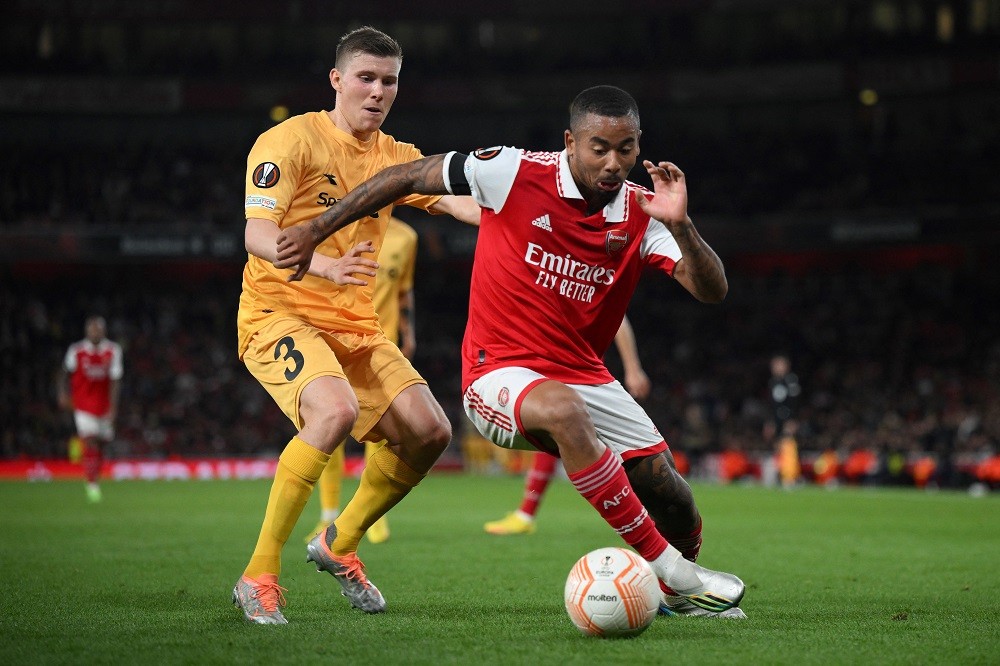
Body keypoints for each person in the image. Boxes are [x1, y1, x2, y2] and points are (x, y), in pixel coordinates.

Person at [275, 85, 746, 618]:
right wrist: (316, 228)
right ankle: (672, 570)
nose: (614, 163)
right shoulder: (513, 172)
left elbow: (712, 290)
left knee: (671, 493)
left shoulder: (644, 212)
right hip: (497, 372)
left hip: (584, 374)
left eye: (627, 148)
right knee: (563, 410)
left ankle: (676, 596)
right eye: (599, 148)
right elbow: (405, 176)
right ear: (571, 142)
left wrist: (682, 225)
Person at [232, 26, 479, 625]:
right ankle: (258, 574)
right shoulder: (289, 141)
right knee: (334, 412)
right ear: (337, 79)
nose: (377, 91)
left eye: (388, 81)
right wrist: (323, 262)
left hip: (356, 327)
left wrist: (533, 215)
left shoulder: (395, 156)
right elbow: (257, 234)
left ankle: (339, 542)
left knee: (429, 432)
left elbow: (458, 203)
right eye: (365, 78)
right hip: (278, 313)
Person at [306, 215, 419, 545]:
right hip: (336, 337)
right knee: (331, 422)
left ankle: (371, 515)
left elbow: (404, 290)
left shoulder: (407, 237)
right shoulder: (339, 226)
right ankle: (328, 513)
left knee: (382, 429)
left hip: (381, 343)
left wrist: (409, 333)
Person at [484, 315, 650, 535]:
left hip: (579, 370)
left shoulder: (591, 285)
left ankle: (645, 519)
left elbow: (619, 320)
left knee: (613, 448)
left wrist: (633, 368)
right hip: (556, 362)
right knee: (555, 431)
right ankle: (526, 513)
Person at [57, 316, 123, 503]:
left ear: (104, 331)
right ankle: (92, 484)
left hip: (104, 406)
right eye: (91, 329)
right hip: (83, 404)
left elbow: (116, 380)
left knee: (102, 443)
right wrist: (62, 393)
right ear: (87, 331)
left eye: (98, 329)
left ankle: (94, 475)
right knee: (91, 441)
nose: (94, 332)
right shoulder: (76, 350)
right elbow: (63, 373)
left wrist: (113, 407)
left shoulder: (113, 350)